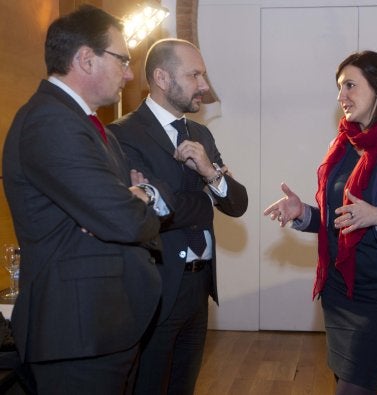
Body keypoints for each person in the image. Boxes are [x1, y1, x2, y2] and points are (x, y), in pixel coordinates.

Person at [1, 5, 167, 394]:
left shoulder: (91, 127)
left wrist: (136, 197)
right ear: (85, 59)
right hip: (76, 331)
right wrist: (135, 199)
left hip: (104, 325)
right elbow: (125, 219)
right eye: (122, 59)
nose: (129, 73)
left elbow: (121, 211)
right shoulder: (50, 122)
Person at [264, 50, 377, 395]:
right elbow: (339, 221)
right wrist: (303, 214)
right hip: (339, 292)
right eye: (339, 87)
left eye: (350, 86)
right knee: (344, 382)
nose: (341, 96)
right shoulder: (341, 146)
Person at [108, 38, 248, 394]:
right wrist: (203, 197)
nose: (204, 85)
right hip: (157, 288)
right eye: (195, 75)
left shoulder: (201, 134)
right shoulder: (122, 135)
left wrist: (210, 174)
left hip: (199, 289)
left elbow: (237, 204)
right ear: (162, 78)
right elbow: (149, 209)